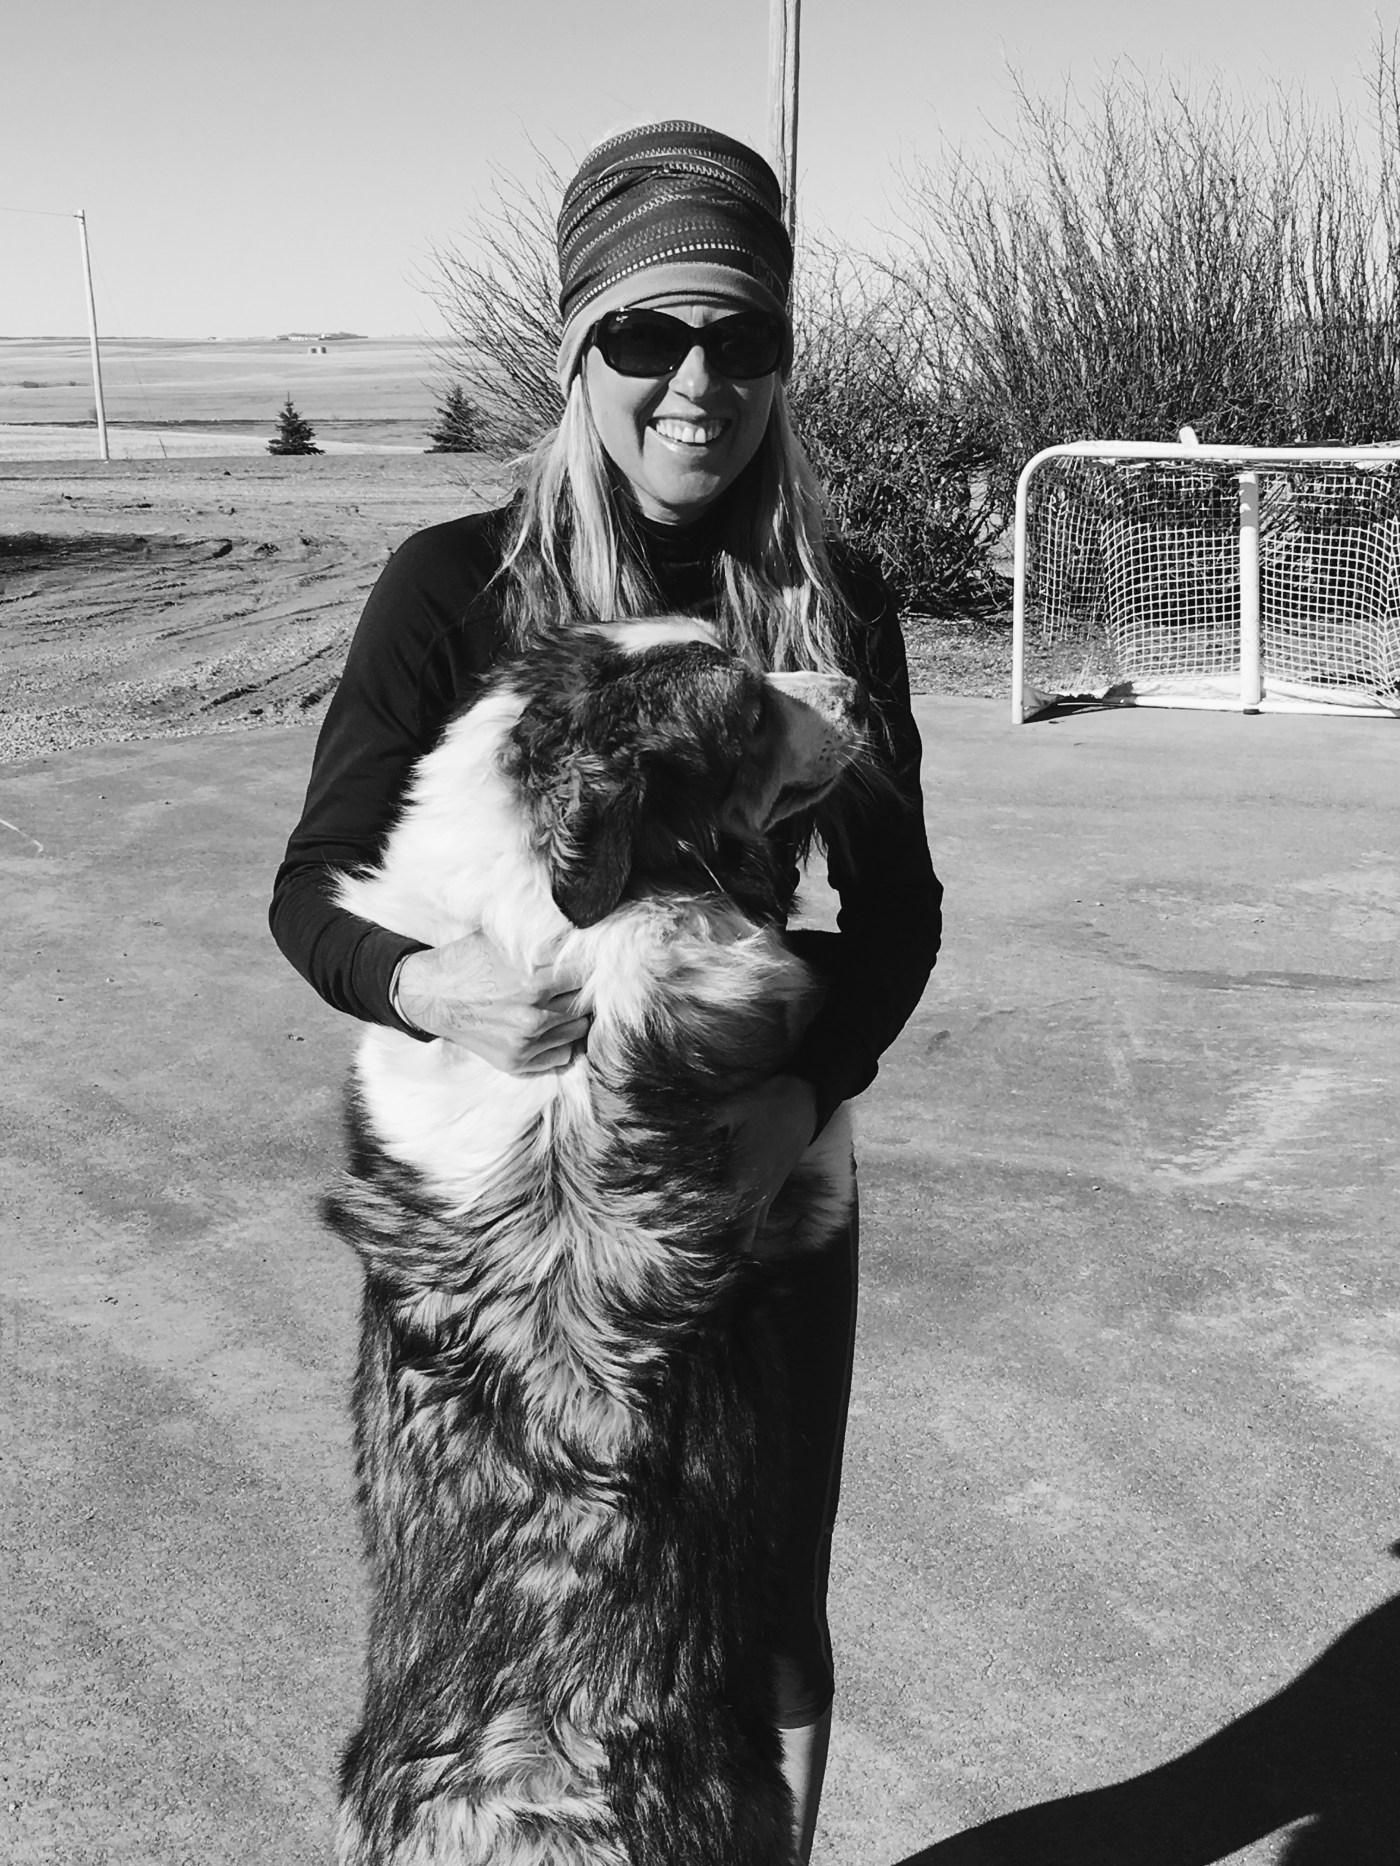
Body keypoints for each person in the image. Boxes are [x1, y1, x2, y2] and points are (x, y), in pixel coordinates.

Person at [269, 120, 942, 1861]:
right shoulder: (453, 588)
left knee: (759, 1621)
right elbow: (313, 886)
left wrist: (800, 1097)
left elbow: (898, 913)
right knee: (490, 1631)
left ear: (782, 357)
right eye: (647, 333)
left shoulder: (832, 600)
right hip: (501, 1225)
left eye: (743, 335)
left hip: (753, 1189)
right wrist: (433, 985)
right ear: (580, 353)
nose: (697, 381)